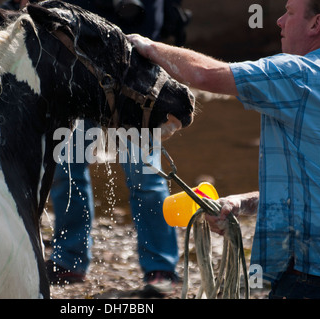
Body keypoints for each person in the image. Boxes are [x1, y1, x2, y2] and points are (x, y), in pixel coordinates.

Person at [128, 0, 320, 299]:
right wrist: (241, 202)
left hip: (309, 279)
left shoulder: (297, 74)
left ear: (316, 24)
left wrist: (146, 46)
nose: (278, 22)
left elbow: (205, 75)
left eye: (288, 12)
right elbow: (315, 192)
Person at [47, 0, 191, 297]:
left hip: (135, 74)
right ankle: (68, 260)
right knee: (67, 166)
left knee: (145, 176)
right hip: (85, 70)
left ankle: (161, 267)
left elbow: (151, 20)